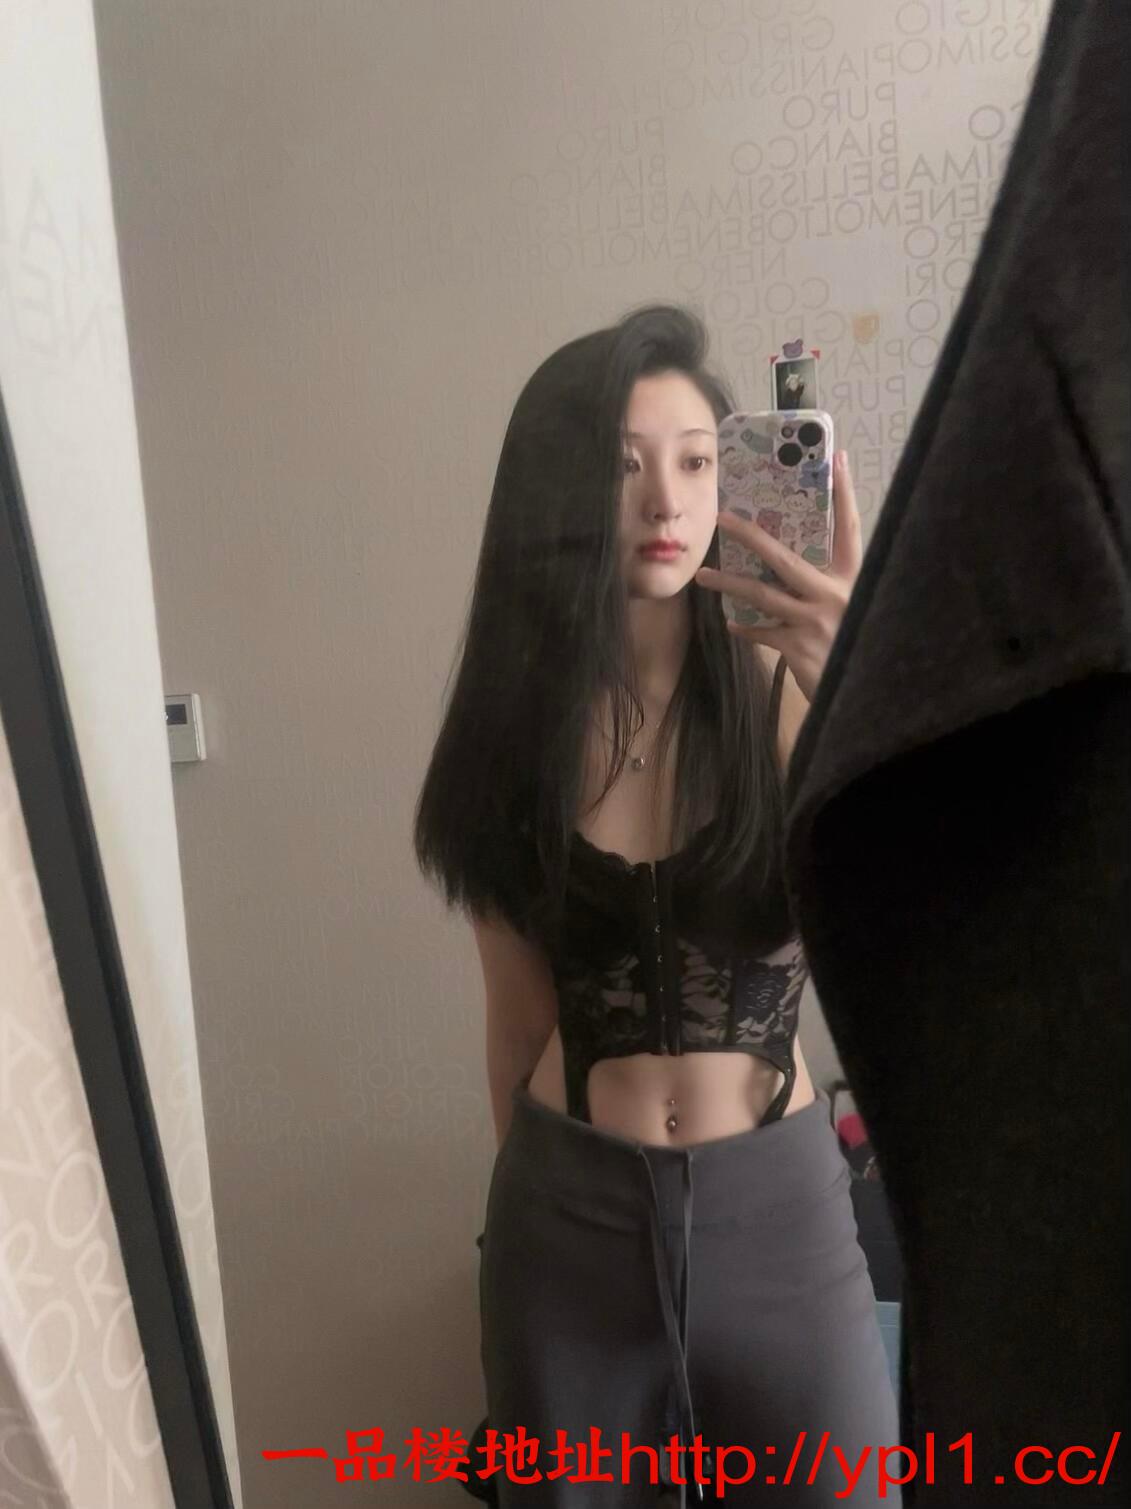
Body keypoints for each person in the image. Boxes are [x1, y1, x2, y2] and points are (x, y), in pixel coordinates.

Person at [414, 305, 897, 1506]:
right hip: (565, 1228)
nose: (666, 502)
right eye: (624, 466)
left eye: (694, 462)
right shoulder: (516, 739)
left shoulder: (797, 697)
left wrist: (854, 687)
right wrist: (524, 1241)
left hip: (781, 1223)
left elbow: (922, 926)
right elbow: (516, 1022)